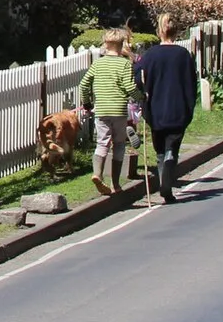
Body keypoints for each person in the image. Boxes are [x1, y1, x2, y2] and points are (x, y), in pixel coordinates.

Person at [134, 12, 200, 204]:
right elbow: (191, 81)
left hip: (156, 107)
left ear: (159, 31)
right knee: (173, 141)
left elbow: (138, 78)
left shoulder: (150, 55)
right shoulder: (183, 54)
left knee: (159, 145)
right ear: (176, 31)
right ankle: (171, 159)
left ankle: (164, 166)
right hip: (178, 106)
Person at [77, 27, 139, 196]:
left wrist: (88, 102)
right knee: (119, 144)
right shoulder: (125, 63)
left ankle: (97, 174)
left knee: (102, 142)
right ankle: (116, 184)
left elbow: (83, 85)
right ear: (121, 45)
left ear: (105, 44)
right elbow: (129, 86)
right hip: (119, 110)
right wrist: (141, 97)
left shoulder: (97, 63)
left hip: (102, 110)